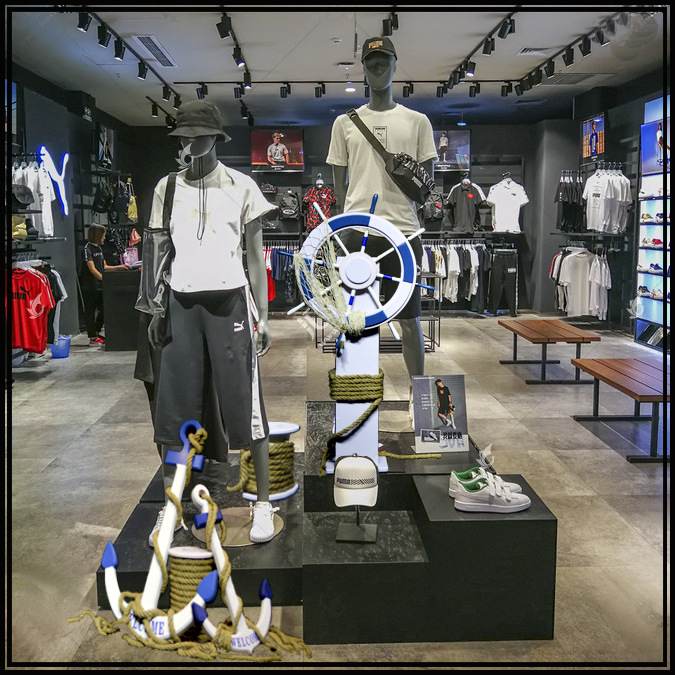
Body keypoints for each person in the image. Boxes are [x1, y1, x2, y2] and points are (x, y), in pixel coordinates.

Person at [80, 224, 128, 347]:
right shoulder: (87, 249)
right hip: (89, 286)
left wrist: (120, 267)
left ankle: (96, 332)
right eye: (103, 235)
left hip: (100, 286)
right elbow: (92, 270)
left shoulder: (99, 249)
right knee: (90, 311)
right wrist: (104, 279)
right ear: (97, 235)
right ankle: (92, 338)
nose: (104, 237)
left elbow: (104, 267)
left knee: (104, 309)